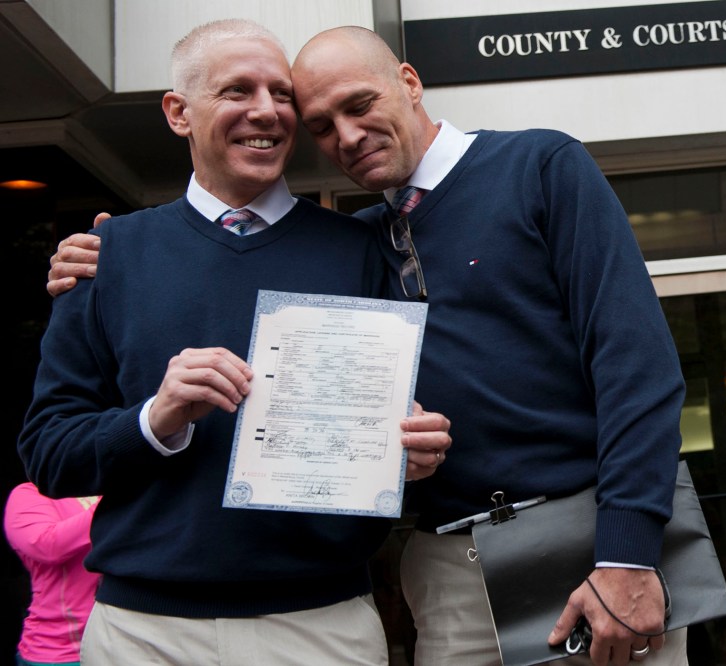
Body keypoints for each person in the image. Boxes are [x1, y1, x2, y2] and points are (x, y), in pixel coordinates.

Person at [48, 25, 687, 666]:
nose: (346, 137)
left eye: (359, 106)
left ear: (409, 83)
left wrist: (628, 551)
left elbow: (636, 366)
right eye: (323, 124)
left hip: (582, 538)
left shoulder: (533, 170)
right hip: (444, 562)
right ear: (179, 113)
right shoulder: (363, 237)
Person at [22, 19, 451, 666]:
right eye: (236, 91)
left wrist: (410, 451)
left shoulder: (365, 252)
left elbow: (410, 426)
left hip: (322, 625)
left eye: (282, 94)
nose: (267, 111)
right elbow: (49, 457)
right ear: (178, 112)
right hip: (143, 631)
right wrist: (154, 419)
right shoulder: (107, 257)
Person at [4, 482, 100, 666]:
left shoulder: (111, 492)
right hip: (62, 650)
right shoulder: (30, 493)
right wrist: (117, 504)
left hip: (122, 640)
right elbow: (47, 545)